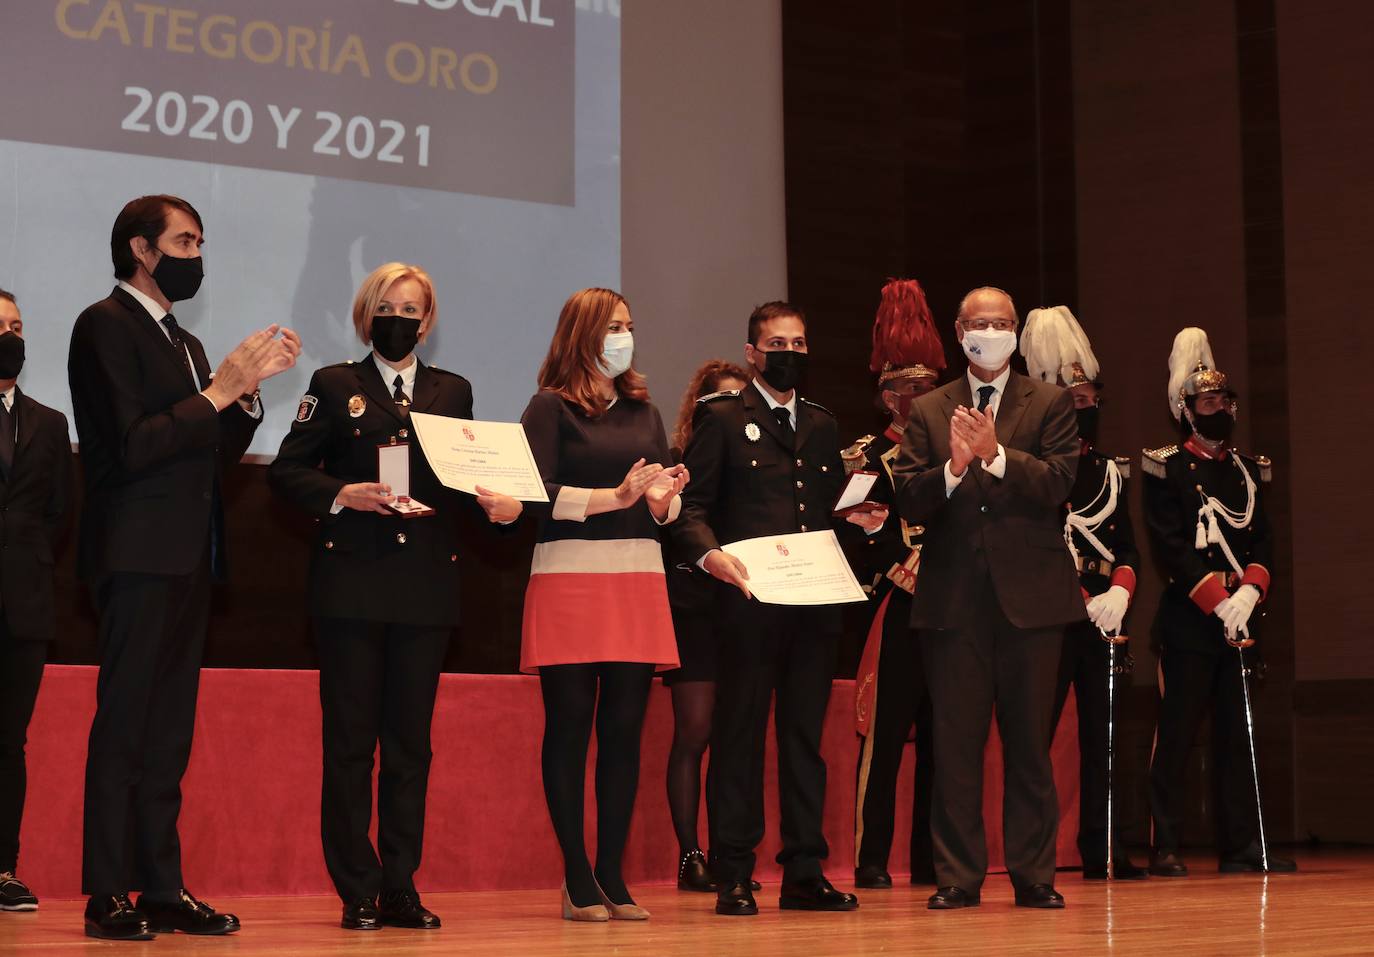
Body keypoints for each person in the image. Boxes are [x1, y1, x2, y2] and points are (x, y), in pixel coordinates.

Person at [68, 194, 300, 940]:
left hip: (191, 557)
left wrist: (246, 397)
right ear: (142, 249)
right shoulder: (103, 325)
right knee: (125, 723)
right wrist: (218, 392)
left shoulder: (188, 345)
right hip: (134, 555)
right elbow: (134, 446)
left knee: (169, 730)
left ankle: (161, 887)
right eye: (184, 240)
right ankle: (108, 891)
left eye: (200, 241)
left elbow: (214, 450)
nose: (196, 254)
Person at [268, 263, 521, 931]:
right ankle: (357, 885)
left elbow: (465, 480)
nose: (400, 317)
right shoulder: (334, 385)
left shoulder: (452, 390)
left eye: (412, 308)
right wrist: (339, 494)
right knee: (351, 742)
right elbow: (288, 470)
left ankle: (400, 884)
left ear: (428, 321)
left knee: (410, 745)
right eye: (387, 305)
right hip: (350, 586)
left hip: (426, 590)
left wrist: (499, 504)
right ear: (366, 313)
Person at [674, 301, 885, 917]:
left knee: (804, 742)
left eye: (798, 342)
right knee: (738, 738)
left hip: (814, 611)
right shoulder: (721, 417)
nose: (788, 353)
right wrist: (710, 557)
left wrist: (859, 523)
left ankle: (804, 871)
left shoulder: (822, 424)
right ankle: (734, 873)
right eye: (776, 343)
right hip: (746, 606)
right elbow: (693, 508)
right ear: (752, 352)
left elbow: (823, 515)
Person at [890, 286, 1083, 910]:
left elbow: (1057, 483)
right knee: (956, 747)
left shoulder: (1050, 402)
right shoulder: (929, 408)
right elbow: (910, 498)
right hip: (954, 604)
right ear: (958, 330)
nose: (989, 332)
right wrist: (951, 469)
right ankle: (958, 876)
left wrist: (994, 454)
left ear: (1016, 330)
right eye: (978, 323)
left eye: (1000, 323)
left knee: (1030, 746)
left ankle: (1034, 874)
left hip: (1033, 602)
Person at [519, 288, 686, 922]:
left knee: (622, 735)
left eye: (629, 326)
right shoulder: (550, 406)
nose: (625, 337)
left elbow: (663, 504)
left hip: (637, 579)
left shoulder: (643, 409)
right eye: (614, 326)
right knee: (570, 730)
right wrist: (612, 498)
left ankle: (612, 874)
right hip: (569, 578)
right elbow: (533, 491)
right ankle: (576, 875)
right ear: (582, 334)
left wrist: (665, 494)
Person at [1142, 328, 1295, 877]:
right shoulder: (1166, 467)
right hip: (1190, 622)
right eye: (1210, 403)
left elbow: (1265, 539)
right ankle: (1166, 846)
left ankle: (1244, 848)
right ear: (1188, 411)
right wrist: (1216, 599)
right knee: (1178, 736)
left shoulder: (1249, 470)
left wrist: (1250, 590)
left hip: (1243, 620)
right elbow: (1170, 545)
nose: (1222, 409)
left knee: (1239, 736)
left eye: (1227, 401)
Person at [1020, 305, 1147, 880]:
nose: (1084, 408)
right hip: (1048, 611)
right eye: (1072, 402)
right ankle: (1032, 854)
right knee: (1035, 737)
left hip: (1103, 614)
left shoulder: (1112, 471)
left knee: (1107, 734)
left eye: (1090, 399)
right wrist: (1074, 594)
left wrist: (1119, 591)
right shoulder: (1027, 466)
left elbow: (1129, 548)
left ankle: (1108, 848)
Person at [843, 279, 943, 890]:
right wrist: (891, 553)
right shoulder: (865, 458)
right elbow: (855, 537)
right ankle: (871, 858)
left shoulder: (959, 453)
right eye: (905, 389)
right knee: (883, 742)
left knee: (943, 737)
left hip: (953, 607)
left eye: (926, 388)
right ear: (886, 396)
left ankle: (934, 859)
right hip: (897, 605)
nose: (916, 398)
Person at [662, 359, 753, 893]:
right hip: (694, 607)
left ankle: (729, 854)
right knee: (694, 730)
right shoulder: (676, 465)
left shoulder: (764, 467)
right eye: (718, 401)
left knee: (735, 733)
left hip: (744, 608)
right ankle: (689, 852)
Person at [0, 290, 74, 914]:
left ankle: (3, 868)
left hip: (22, 604)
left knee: (8, 741)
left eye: (17, 326)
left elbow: (58, 514)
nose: (11, 337)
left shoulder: (49, 422)